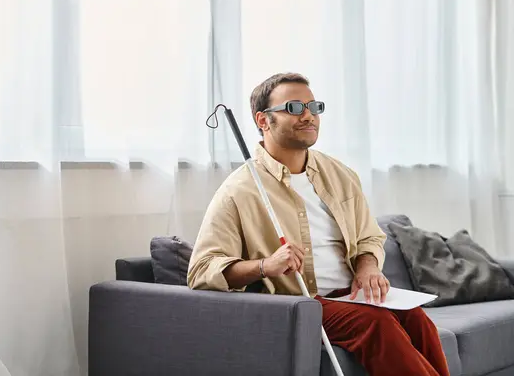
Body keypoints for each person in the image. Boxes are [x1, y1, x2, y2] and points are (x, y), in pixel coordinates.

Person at [187, 73, 449, 376]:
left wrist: (367, 266)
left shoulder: (340, 174)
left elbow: (368, 238)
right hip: (300, 303)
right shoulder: (239, 190)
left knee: (416, 318)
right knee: (375, 324)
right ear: (263, 120)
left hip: (351, 296)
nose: (309, 115)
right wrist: (265, 266)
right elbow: (201, 269)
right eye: (295, 107)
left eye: (314, 106)